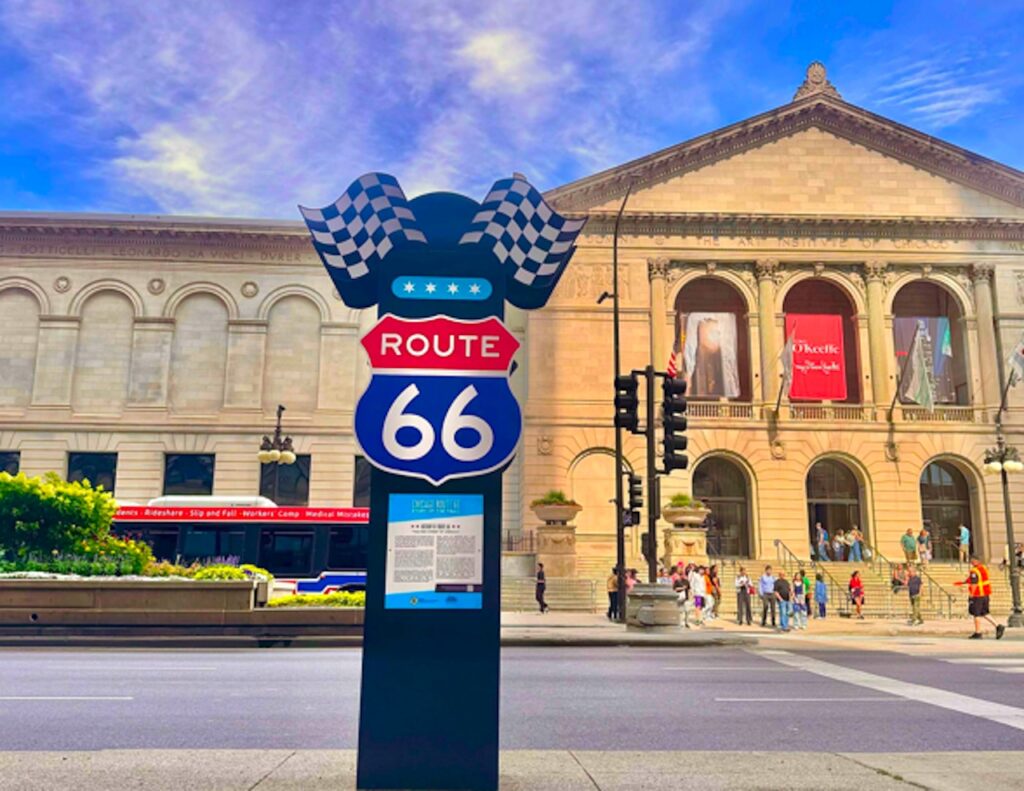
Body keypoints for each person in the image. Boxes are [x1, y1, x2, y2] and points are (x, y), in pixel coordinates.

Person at [954, 557, 1005, 640]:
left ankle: (978, 632)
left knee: (976, 613)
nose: (971, 563)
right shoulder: (983, 568)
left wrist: (971, 594)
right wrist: (963, 582)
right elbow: (978, 579)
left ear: (975, 561)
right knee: (984, 613)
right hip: (985, 594)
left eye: (972, 561)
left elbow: (974, 583)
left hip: (978, 595)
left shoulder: (974, 571)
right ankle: (998, 626)